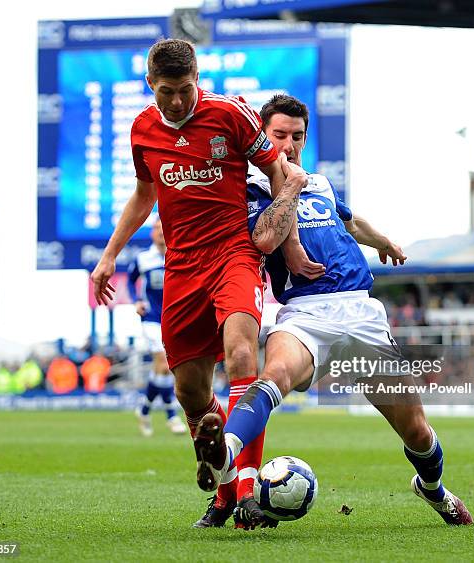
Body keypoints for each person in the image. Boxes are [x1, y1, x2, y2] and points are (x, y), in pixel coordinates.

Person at [194, 94, 473, 528]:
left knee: (416, 430)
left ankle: (433, 489)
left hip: (361, 311)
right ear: (260, 137)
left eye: (297, 136)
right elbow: (265, 238)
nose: (288, 145)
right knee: (275, 375)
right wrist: (287, 190)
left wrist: (384, 243)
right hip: (305, 312)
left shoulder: (318, 182)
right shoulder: (246, 189)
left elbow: (349, 221)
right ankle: (223, 452)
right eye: (279, 135)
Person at [90, 39, 321, 528]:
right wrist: (109, 256)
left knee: (242, 356)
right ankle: (222, 491)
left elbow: (279, 170)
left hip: (234, 253)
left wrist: (289, 241)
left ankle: (246, 491)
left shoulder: (230, 115)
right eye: (167, 92)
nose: (177, 101)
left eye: (186, 89)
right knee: (190, 390)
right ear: (150, 84)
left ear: (199, 79)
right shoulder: (142, 129)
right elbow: (144, 193)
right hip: (182, 266)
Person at [128, 218, 186, 436]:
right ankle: (172, 416)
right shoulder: (144, 258)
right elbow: (130, 280)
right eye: (156, 228)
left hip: (175, 319)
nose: (161, 232)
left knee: (163, 367)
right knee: (163, 362)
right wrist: (136, 300)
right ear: (151, 233)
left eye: (164, 227)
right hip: (152, 318)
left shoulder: (179, 255)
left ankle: (144, 409)